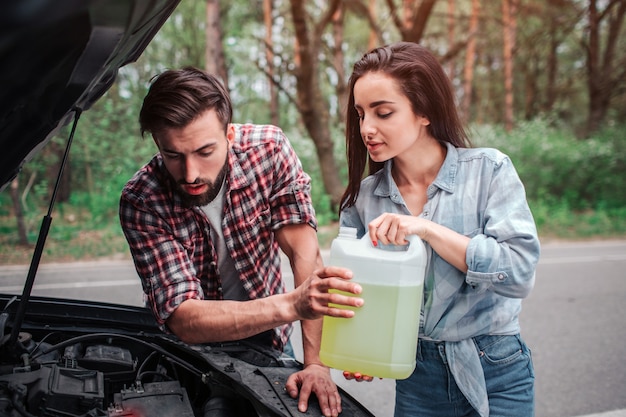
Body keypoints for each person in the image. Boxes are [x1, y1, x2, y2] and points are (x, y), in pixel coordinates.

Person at [119, 66, 362, 417]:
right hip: (184, 350)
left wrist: (316, 365)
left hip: (265, 335)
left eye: (205, 151)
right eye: (173, 155)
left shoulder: (269, 151)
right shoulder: (142, 200)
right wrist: (292, 305)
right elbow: (184, 317)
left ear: (229, 134)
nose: (190, 173)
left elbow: (303, 253)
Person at [337, 42, 540, 417]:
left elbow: (519, 273)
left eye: (383, 113)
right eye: (361, 114)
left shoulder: (489, 171)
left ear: (425, 111)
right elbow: (355, 292)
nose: (367, 128)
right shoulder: (363, 200)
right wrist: (365, 347)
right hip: (418, 379)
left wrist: (427, 229)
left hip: (496, 368)